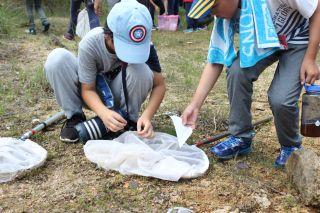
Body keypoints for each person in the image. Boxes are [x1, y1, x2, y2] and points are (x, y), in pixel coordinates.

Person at [181, 0, 320, 167]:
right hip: (265, 38)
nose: (213, 15)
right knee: (236, 70)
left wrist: (310, 58)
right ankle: (240, 137)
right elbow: (215, 61)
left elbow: (316, 9)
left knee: (280, 99)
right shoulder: (224, 18)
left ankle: (290, 146)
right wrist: (195, 105)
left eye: (214, 7)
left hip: (299, 37)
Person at [45, 0, 166, 142]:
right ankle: (75, 117)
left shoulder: (146, 47)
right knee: (57, 58)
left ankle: (128, 120)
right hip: (93, 92)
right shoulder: (90, 43)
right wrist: (103, 113)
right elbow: (87, 89)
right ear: (107, 35)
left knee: (142, 70)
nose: (131, 53)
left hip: (118, 93)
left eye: (136, 47)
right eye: (126, 47)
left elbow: (159, 85)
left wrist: (146, 116)